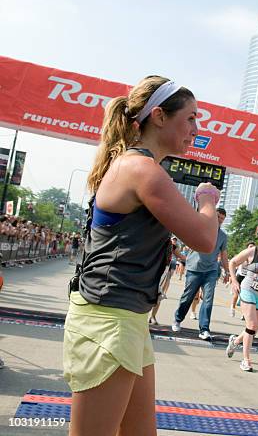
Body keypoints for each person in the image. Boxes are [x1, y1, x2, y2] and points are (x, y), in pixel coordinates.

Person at [62, 76, 220, 436]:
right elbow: (203, 238)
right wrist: (208, 201)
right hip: (107, 321)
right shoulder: (141, 169)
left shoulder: (143, 167)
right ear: (160, 116)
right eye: (192, 118)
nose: (196, 129)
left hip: (127, 321)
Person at [226, 225, 258, 372]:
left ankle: (235, 341)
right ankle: (246, 360)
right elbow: (232, 263)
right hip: (248, 290)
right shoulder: (251, 252)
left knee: (255, 329)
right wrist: (235, 281)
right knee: (251, 325)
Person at [172, 208, 229, 341]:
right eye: (218, 216)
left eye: (222, 218)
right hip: (194, 268)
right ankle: (177, 319)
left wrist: (226, 271)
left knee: (208, 299)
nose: (219, 220)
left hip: (211, 270)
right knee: (188, 297)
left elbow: (224, 254)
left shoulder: (223, 236)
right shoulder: (200, 228)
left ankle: (204, 329)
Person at [148, 237, 184, 325]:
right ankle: (143, 315)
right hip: (150, 269)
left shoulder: (172, 246)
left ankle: (152, 316)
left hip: (163, 271)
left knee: (159, 294)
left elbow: (182, 256)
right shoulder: (152, 240)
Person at [230, 242, 256, 317]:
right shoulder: (243, 256)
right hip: (240, 276)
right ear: (247, 248)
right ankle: (232, 308)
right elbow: (234, 264)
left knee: (245, 297)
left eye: (253, 247)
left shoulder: (254, 258)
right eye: (250, 246)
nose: (251, 248)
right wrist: (232, 277)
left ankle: (244, 314)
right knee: (236, 295)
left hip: (247, 279)